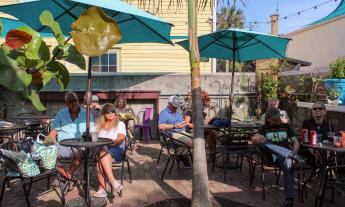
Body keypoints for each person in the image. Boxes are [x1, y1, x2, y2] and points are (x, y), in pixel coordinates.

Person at [252, 107, 300, 207]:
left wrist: (293, 153)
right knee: (261, 141)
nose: (278, 120)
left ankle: (289, 200)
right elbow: (253, 139)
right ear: (268, 118)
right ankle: (285, 153)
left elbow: (295, 142)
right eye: (275, 118)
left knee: (288, 163)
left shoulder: (286, 126)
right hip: (270, 156)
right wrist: (257, 138)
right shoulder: (264, 128)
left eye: (278, 117)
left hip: (285, 157)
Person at [48, 91, 94, 180]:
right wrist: (47, 144)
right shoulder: (61, 114)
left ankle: (65, 176)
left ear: (78, 100)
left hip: (80, 145)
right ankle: (67, 176)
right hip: (63, 145)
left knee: (77, 156)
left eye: (74, 100)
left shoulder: (87, 114)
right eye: (70, 101)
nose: (73, 103)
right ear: (66, 103)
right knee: (48, 155)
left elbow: (93, 131)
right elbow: (53, 133)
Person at [92, 103, 125, 197]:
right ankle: (113, 182)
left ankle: (102, 188)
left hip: (116, 149)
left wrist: (108, 143)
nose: (110, 114)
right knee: (101, 151)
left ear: (115, 113)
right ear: (103, 114)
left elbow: (120, 139)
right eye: (107, 112)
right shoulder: (98, 125)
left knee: (100, 155)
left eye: (112, 111)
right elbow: (93, 137)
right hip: (100, 150)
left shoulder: (120, 124)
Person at [158, 95, 192, 168]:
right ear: (169, 103)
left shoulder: (177, 113)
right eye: (174, 106)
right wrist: (174, 126)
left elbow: (180, 122)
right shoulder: (164, 113)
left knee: (199, 140)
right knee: (192, 143)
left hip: (182, 133)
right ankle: (182, 156)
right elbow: (160, 126)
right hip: (171, 136)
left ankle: (180, 155)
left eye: (177, 106)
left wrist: (184, 123)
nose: (176, 108)